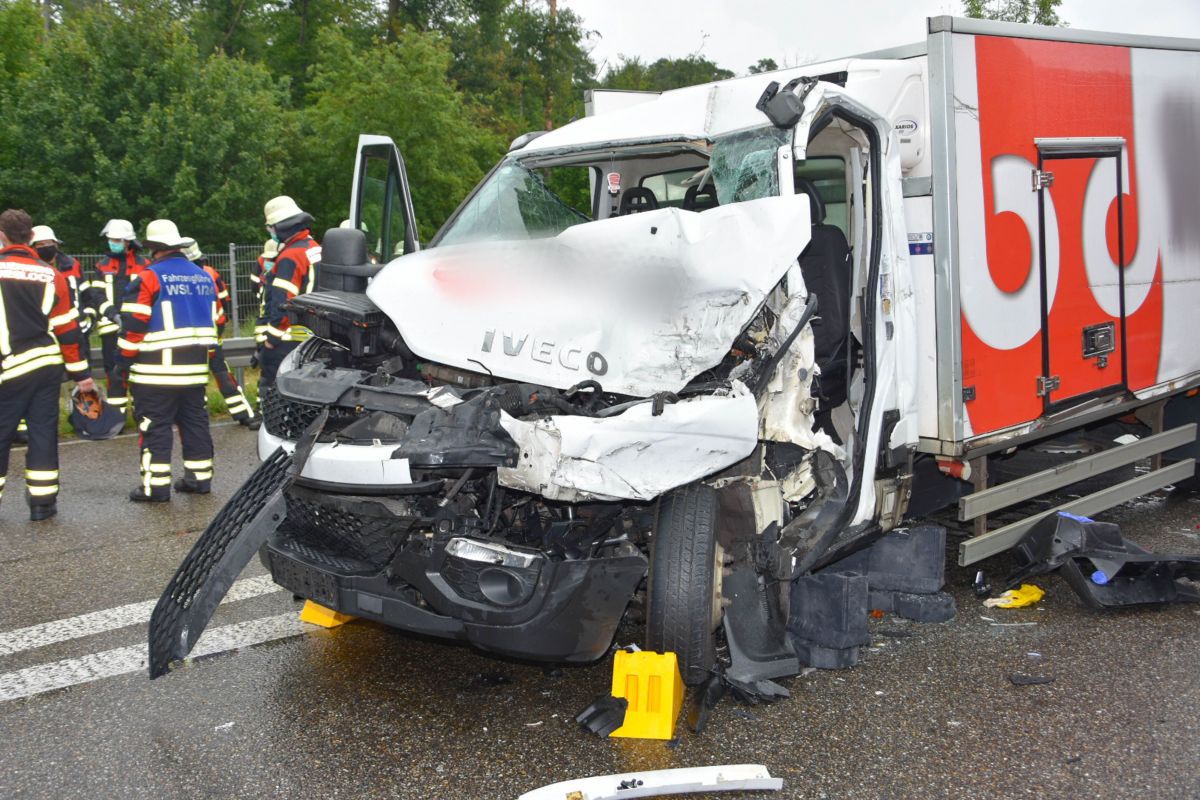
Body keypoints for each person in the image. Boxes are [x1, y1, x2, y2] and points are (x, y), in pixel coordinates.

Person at [0, 209, 95, 521]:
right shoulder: (50, 274)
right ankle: (43, 504)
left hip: (8, 369)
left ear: (2, 236)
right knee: (42, 432)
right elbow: (68, 330)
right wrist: (81, 376)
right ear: (31, 238)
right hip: (46, 366)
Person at [116, 219, 218, 502]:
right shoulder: (203, 276)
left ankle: (155, 487)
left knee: (156, 428)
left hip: (154, 374)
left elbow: (134, 326)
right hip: (195, 371)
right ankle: (199, 479)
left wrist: (121, 362)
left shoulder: (148, 277)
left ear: (154, 249)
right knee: (195, 424)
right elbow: (216, 321)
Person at [183, 241, 255, 426]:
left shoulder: (177, 278)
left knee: (196, 381)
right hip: (213, 335)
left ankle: (199, 419)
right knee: (223, 375)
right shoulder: (210, 273)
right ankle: (244, 415)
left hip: (191, 340)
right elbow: (224, 301)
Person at [259, 196, 321, 392]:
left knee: (278, 399)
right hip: (315, 341)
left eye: (272, 228)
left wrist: (270, 341)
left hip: (287, 344)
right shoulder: (315, 248)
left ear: (280, 227)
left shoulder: (290, 257)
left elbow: (282, 304)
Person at [87, 219, 148, 413]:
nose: (112, 243)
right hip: (110, 329)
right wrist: (112, 314)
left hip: (137, 328)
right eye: (110, 239)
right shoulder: (102, 265)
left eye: (116, 239)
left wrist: (131, 319)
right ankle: (117, 417)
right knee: (114, 374)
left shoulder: (144, 264)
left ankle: (142, 414)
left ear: (127, 241)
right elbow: (96, 295)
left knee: (139, 373)